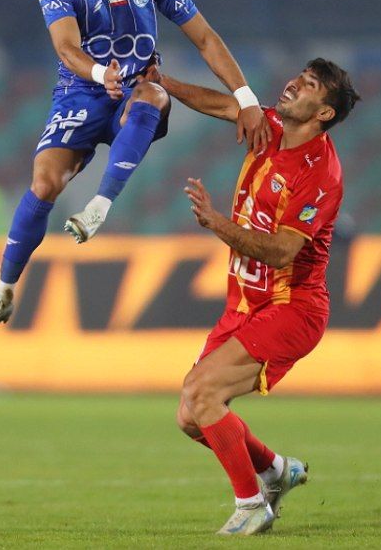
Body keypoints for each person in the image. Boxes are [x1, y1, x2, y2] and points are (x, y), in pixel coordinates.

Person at [0, 0, 270, 335]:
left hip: (136, 90)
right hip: (81, 92)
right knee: (44, 183)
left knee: (154, 94)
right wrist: (99, 73)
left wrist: (246, 98)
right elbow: (66, 48)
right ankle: (2, 293)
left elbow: (205, 38)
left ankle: (100, 206)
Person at [154, 58, 360, 535]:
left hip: (292, 308)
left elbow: (284, 251)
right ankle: (275, 470)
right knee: (190, 416)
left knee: (202, 393)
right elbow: (223, 105)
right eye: (300, 76)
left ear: (324, 113)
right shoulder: (270, 127)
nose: (294, 84)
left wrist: (217, 223)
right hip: (244, 305)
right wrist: (162, 81)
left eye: (309, 85)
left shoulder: (320, 172)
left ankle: (251, 506)